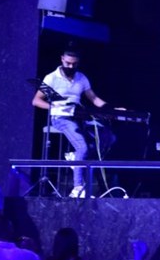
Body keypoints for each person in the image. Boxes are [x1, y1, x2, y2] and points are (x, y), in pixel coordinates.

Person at [31, 47, 116, 198]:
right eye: (68, 63)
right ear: (62, 59)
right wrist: (54, 106)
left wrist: (112, 110)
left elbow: (94, 98)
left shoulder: (81, 78)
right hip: (61, 118)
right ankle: (78, 187)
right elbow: (36, 101)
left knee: (109, 137)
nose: (70, 66)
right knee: (83, 147)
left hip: (80, 117)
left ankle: (76, 156)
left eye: (74, 64)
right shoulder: (51, 78)